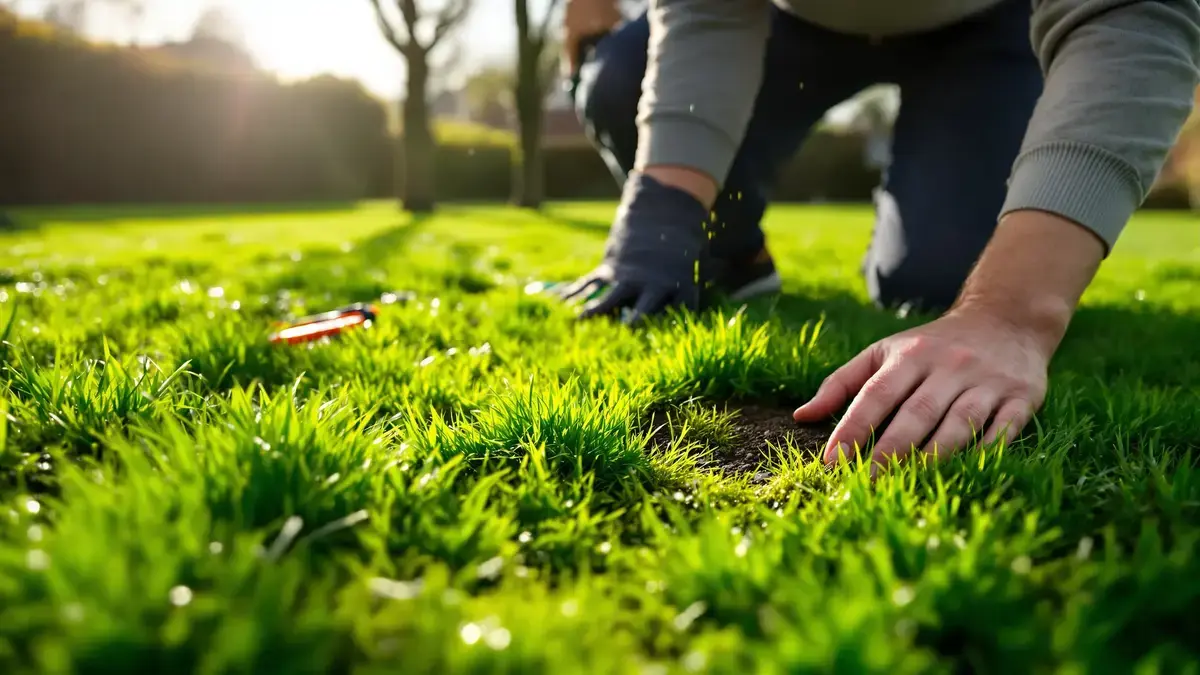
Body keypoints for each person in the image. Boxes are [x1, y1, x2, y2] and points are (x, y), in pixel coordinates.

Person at [559, 0, 1200, 471]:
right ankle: (734, 255)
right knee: (620, 79)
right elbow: (706, 16)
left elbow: (1132, 19)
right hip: (791, 23)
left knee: (934, 283)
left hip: (984, 28)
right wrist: (658, 224)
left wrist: (1011, 314)